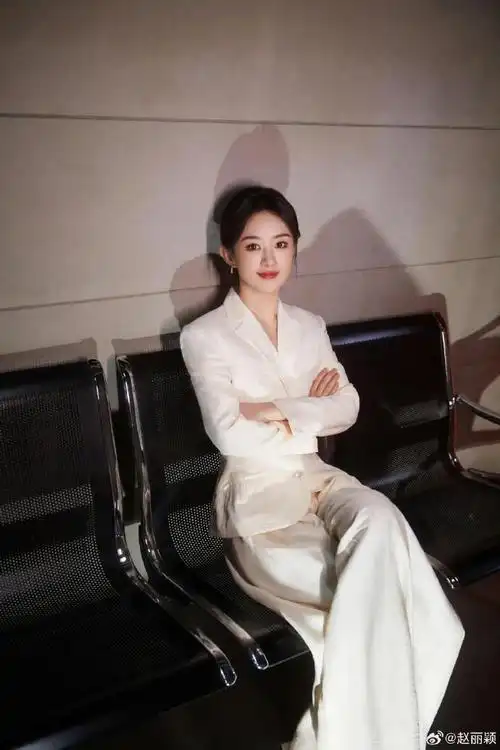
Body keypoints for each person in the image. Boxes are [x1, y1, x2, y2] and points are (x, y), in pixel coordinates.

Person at [180, 185, 464, 750]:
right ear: (229, 255)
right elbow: (228, 431)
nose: (269, 259)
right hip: (261, 504)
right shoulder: (204, 336)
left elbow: (347, 407)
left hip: (320, 480)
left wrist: (273, 410)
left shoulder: (309, 326)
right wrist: (309, 407)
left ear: (295, 248)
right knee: (375, 600)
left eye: (281, 244)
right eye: (253, 246)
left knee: (379, 518)